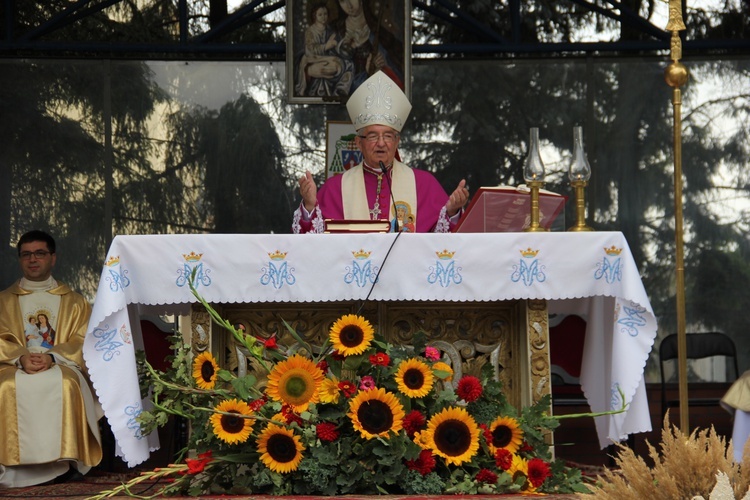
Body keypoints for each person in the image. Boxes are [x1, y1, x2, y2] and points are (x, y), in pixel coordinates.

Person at [293, 70, 469, 233]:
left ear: (396, 142)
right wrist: (309, 205)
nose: (381, 143)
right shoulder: (335, 189)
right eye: (372, 136)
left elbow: (444, 243)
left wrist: (453, 211)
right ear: (359, 143)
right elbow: (311, 244)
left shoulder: (424, 185)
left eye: (388, 136)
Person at [0, 230, 102, 488]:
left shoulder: (76, 302)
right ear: (20, 259)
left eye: (40, 253)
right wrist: (20, 357)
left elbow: (85, 341)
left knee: (67, 384)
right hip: (14, 365)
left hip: (60, 363)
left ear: (52, 258)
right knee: (5, 387)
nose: (33, 259)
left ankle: (65, 462)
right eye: (26, 254)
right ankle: (9, 463)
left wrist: (54, 357)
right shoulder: (2, 301)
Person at [295, 1, 353, 98]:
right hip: (313, 60)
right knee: (333, 67)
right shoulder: (310, 31)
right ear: (315, 16)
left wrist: (342, 45)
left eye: (325, 14)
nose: (323, 17)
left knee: (348, 64)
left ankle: (341, 90)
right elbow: (310, 50)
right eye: (320, 14)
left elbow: (335, 47)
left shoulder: (329, 30)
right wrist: (326, 46)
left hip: (327, 58)